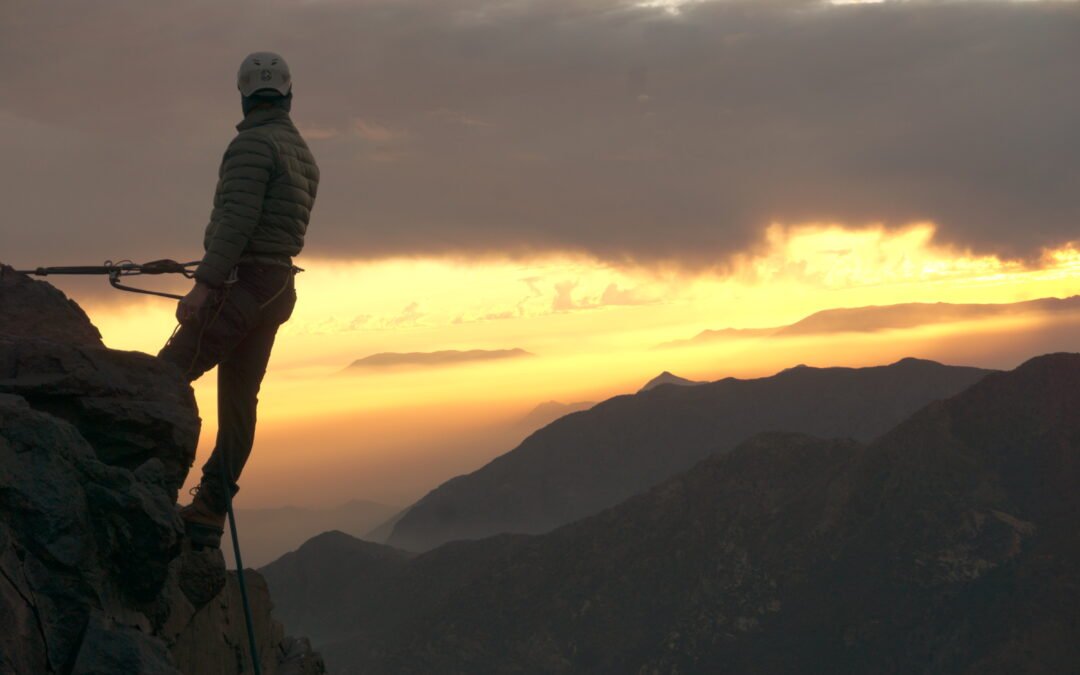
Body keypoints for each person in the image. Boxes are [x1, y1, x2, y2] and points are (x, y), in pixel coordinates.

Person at [159, 52, 319, 547]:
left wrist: (204, 283)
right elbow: (269, 226)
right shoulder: (302, 153)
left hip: (242, 285)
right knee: (239, 401)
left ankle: (147, 484)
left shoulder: (251, 144)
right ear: (288, 96)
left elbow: (239, 219)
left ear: (245, 97)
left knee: (163, 377)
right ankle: (210, 509)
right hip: (276, 287)